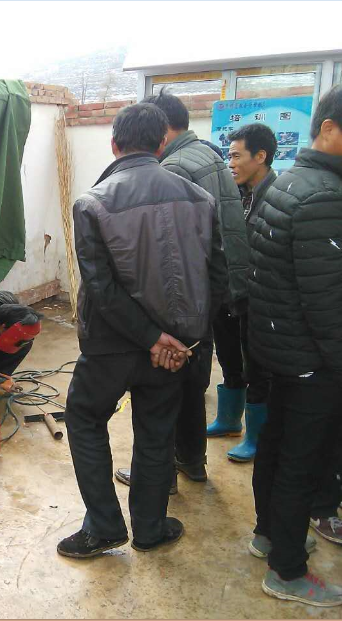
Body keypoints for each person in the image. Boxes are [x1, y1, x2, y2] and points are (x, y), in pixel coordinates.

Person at [57, 103, 227, 559]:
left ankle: (103, 527)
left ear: (114, 143)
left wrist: (151, 338)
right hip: (172, 348)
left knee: (84, 418)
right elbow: (216, 278)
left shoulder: (92, 203)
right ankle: (150, 528)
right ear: (162, 143)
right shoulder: (200, 199)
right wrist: (183, 342)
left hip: (111, 345)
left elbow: (101, 288)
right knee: (156, 432)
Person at [115, 90, 246, 489]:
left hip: (182, 300)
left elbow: (165, 255)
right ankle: (192, 461)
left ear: (162, 129)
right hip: (211, 293)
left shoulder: (172, 169)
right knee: (193, 383)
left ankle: (160, 476)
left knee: (165, 387)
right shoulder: (209, 155)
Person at [247, 85, 342, 606]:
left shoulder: (288, 181)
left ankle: (269, 535)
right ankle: (287, 571)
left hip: (281, 349)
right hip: (312, 358)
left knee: (277, 446)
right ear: (328, 128)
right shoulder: (324, 196)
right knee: (301, 463)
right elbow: (327, 301)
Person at [207, 123, 277, 462]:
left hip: (259, 298)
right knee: (228, 357)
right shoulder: (234, 194)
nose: (230, 164)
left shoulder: (277, 196)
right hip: (229, 292)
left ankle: (257, 437)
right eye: (229, 156)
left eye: (236, 156)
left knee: (258, 366)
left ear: (260, 156)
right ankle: (229, 420)